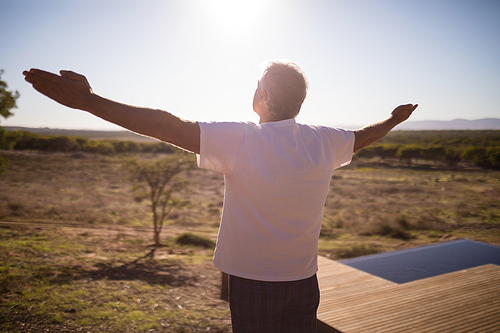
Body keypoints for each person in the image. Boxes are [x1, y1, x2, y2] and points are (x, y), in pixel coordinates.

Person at [23, 61, 417, 332]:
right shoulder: (324, 140)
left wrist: (88, 101)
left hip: (254, 281)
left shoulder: (244, 138)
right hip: (304, 280)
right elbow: (365, 137)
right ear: (299, 101)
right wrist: (394, 120)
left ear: (261, 95)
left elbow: (167, 125)